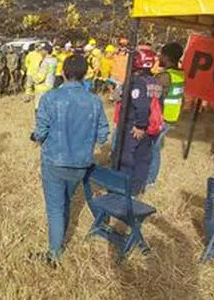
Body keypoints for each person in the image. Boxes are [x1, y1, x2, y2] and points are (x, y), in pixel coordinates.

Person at [32, 54, 109, 265]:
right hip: (80, 164)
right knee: (65, 202)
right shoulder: (94, 101)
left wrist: (36, 137)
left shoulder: (50, 97)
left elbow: (40, 132)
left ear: (63, 72)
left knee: (55, 208)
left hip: (54, 162)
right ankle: (58, 245)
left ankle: (54, 255)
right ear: (85, 74)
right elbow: (103, 135)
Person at [117, 47, 162, 195]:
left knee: (128, 158)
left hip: (136, 126)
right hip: (151, 127)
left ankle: (123, 190)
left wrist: (139, 126)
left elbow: (141, 106)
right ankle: (137, 190)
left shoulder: (138, 82)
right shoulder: (154, 81)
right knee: (143, 159)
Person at [147, 42, 185, 186]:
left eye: (161, 55)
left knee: (152, 148)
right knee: (154, 147)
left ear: (167, 57)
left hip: (161, 117)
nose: (159, 58)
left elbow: (151, 95)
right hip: (172, 116)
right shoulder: (180, 74)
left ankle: (150, 180)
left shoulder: (164, 76)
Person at [34, 43, 57, 111]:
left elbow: (41, 76)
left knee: (39, 108)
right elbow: (51, 72)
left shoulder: (45, 62)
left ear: (46, 51)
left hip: (42, 87)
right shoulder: (53, 60)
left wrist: (34, 79)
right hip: (50, 85)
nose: (40, 52)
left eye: (41, 50)